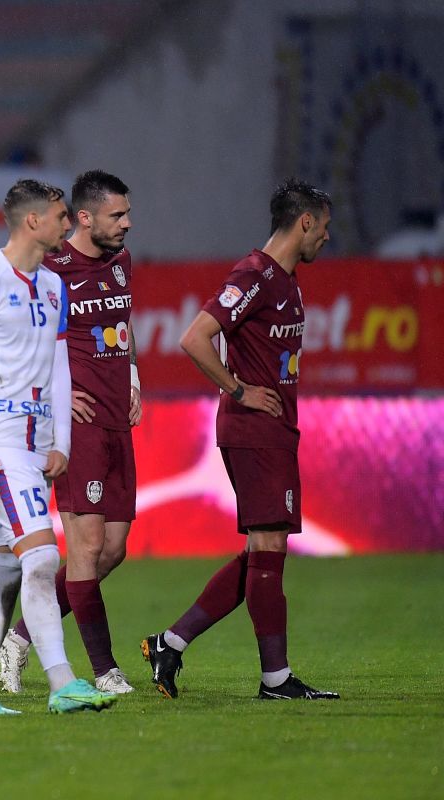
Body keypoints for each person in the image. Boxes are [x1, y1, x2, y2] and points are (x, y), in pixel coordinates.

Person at [141, 178, 340, 701]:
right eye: (323, 227)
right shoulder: (255, 275)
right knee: (269, 549)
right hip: (254, 431)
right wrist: (238, 389)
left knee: (261, 554)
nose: (326, 237)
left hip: (273, 431)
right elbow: (194, 336)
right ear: (304, 222)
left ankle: (170, 642)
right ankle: (275, 679)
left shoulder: (288, 280)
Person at [0, 179, 117, 715]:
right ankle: (63, 683)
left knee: (7, 571)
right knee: (42, 557)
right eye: (63, 216)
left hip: (37, 443)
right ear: (32, 221)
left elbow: (60, 366)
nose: (69, 224)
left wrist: (60, 439)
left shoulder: (53, 285)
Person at [0, 170, 141, 696]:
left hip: (116, 423)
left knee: (113, 549)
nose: (127, 224)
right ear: (84, 217)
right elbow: (14, 343)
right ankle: (105, 671)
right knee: (85, 547)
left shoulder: (121, 264)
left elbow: (123, 327)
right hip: (74, 430)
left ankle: (19, 637)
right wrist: (51, 403)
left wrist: (132, 376)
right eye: (117, 215)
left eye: (127, 213)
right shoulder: (51, 271)